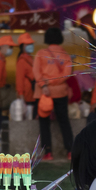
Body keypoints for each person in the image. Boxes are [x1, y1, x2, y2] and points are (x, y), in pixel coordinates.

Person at [33, 28, 73, 160]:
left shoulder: (40, 53)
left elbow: (36, 72)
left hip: (44, 93)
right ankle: (70, 150)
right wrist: (55, 82)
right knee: (64, 122)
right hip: (60, 92)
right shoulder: (66, 55)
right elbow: (67, 74)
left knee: (44, 123)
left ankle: (48, 152)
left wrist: (44, 84)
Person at [15, 33, 37, 119]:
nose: (30, 45)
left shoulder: (30, 58)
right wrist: (21, 97)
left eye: (31, 44)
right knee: (30, 119)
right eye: (28, 44)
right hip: (27, 97)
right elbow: (19, 80)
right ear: (22, 46)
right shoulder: (22, 60)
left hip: (33, 94)